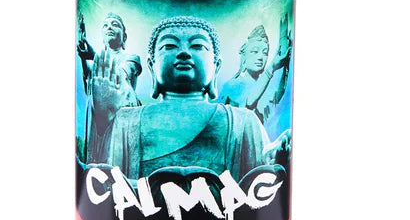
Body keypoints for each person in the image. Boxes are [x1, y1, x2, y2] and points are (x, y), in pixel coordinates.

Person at [90, 15, 290, 180]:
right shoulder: (126, 121)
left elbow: (261, 181)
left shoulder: (244, 122)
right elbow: (103, 183)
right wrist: (104, 118)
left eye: (197, 46)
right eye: (169, 46)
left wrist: (278, 156)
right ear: (151, 67)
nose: (184, 52)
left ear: (216, 67)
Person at [77, 11, 141, 160]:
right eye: (105, 25)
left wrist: (93, 56)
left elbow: (119, 77)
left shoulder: (131, 58)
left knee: (118, 158)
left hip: (122, 115)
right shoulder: (97, 63)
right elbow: (90, 86)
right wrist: (83, 54)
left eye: (115, 24)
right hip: (99, 119)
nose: (109, 27)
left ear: (124, 37)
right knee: (99, 159)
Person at [219, 15, 292, 123]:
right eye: (255, 51)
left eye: (265, 53)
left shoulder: (266, 86)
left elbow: (277, 97)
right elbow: (249, 103)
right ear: (244, 55)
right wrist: (272, 67)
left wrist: (285, 64)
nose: (260, 57)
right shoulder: (233, 85)